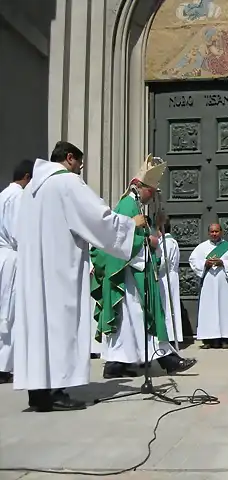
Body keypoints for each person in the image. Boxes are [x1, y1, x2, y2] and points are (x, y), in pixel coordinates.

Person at [12, 141, 145, 412]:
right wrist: (131, 225)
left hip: (33, 271)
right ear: (69, 158)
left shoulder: (31, 190)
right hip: (59, 269)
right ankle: (58, 391)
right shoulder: (67, 184)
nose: (81, 169)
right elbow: (99, 218)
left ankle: (39, 392)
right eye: (80, 164)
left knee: (38, 330)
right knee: (60, 326)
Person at [91, 155, 196, 379]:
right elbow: (119, 241)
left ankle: (119, 364)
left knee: (132, 320)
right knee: (139, 316)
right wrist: (150, 242)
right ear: (140, 186)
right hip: (129, 276)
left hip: (133, 273)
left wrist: (150, 234)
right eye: (151, 190)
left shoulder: (135, 203)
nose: (153, 195)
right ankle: (165, 359)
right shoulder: (128, 204)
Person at [0, 159, 34, 384]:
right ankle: (4, 365)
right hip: (12, 256)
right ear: (27, 177)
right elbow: (18, 232)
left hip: (3, 254)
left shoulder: (2, 194)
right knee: (9, 311)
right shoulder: (19, 196)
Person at [189, 223, 228, 348]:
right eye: (212, 232)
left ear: (221, 232)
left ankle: (225, 337)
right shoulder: (202, 247)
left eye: (216, 231)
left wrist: (223, 262)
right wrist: (205, 263)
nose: (214, 234)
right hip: (208, 281)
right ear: (208, 233)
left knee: (224, 308)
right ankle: (209, 339)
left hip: (224, 281)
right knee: (209, 309)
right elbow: (193, 260)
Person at [157, 218, 183, 345]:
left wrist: (152, 267)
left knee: (167, 305)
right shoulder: (167, 242)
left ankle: (170, 336)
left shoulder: (167, 243)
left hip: (166, 276)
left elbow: (163, 261)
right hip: (167, 276)